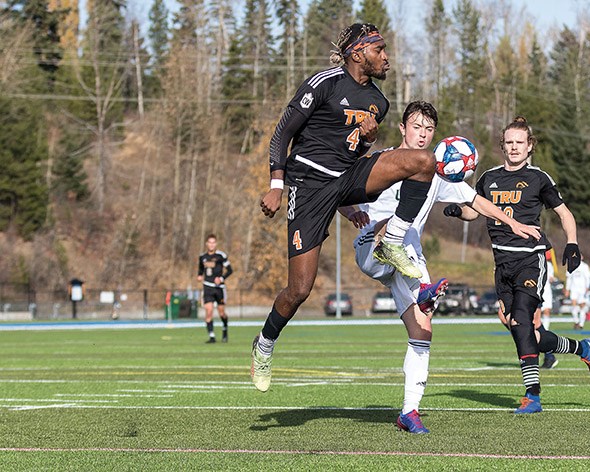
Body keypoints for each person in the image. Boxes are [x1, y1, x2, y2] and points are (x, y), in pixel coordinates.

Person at [252, 24, 441, 392]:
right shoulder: (323, 83)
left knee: (423, 161)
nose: (386, 57)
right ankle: (264, 344)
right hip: (308, 187)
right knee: (299, 290)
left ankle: (395, 239)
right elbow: (282, 134)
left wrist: (370, 140)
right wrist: (277, 184)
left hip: (348, 176)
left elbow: (354, 151)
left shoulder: (380, 103)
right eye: (380, 49)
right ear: (358, 53)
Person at [343, 101, 541, 433]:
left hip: (410, 256)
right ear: (404, 128)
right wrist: (353, 214)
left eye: (429, 130)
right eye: (416, 127)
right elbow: (341, 193)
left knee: (422, 330)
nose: (422, 135)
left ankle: (409, 411)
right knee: (394, 228)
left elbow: (476, 202)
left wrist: (513, 223)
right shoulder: (381, 160)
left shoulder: (437, 170)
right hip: (372, 245)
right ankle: (423, 289)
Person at [444, 116, 590, 414]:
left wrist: (572, 243)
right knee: (521, 329)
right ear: (502, 146)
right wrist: (457, 211)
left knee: (520, 321)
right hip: (501, 263)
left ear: (530, 147)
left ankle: (533, 395)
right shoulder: (489, 178)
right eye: (509, 143)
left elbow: (564, 213)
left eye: (520, 143)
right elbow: (475, 211)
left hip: (530, 259)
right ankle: (582, 348)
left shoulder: (538, 178)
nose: (514, 147)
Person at [197, 234, 233, 343]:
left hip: (219, 288)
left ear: (216, 244)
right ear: (206, 244)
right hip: (207, 287)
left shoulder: (221, 256)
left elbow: (230, 270)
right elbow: (200, 270)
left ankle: (225, 329)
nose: (211, 244)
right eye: (210, 242)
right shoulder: (202, 257)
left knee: (221, 313)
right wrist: (199, 275)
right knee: (209, 311)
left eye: (213, 242)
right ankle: (212, 336)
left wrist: (221, 278)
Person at [539, 248, 558, 369]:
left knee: (538, 327)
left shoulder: (548, 264)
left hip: (543, 292)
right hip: (534, 292)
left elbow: (550, 277)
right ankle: (548, 356)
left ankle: (549, 356)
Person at [565, 255, 590, 330]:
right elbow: (569, 279)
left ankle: (581, 324)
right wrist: (567, 289)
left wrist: (587, 287)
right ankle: (576, 321)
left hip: (582, 289)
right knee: (573, 305)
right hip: (574, 289)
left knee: (582, 306)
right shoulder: (570, 266)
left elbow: (587, 278)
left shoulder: (584, 266)